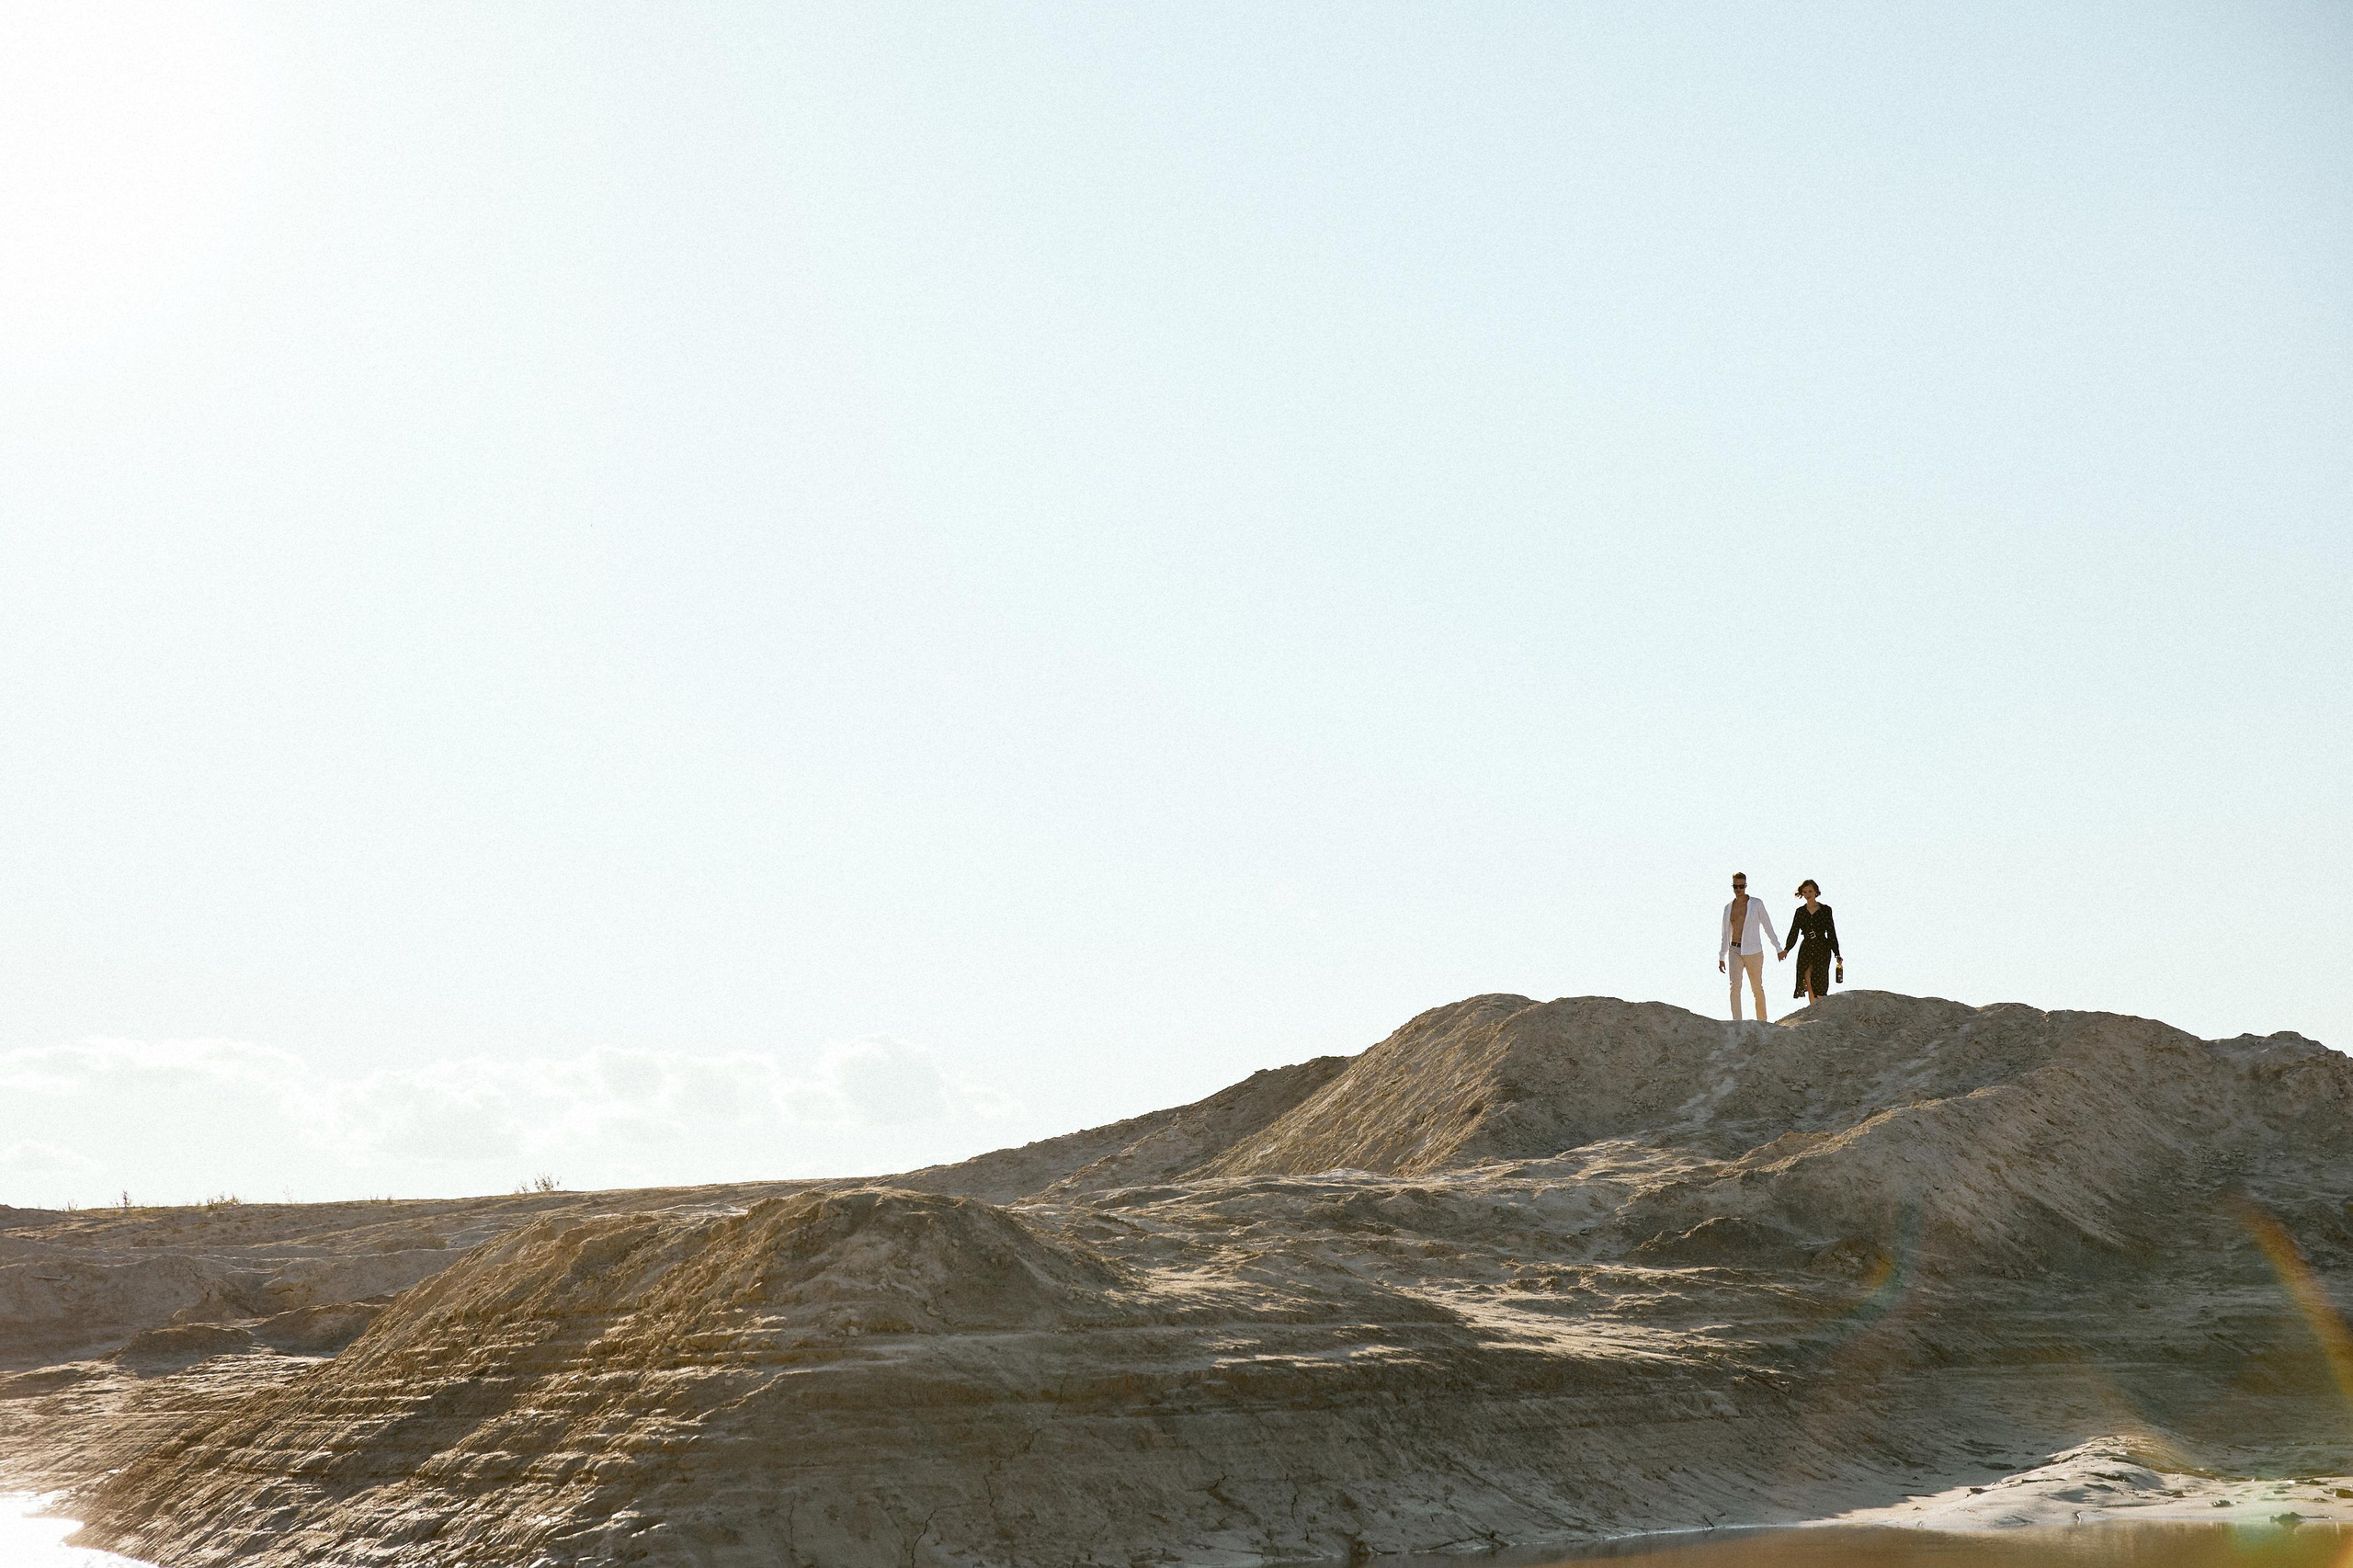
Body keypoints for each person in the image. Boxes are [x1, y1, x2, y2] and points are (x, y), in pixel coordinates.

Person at [1716, 871, 1782, 1022]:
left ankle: (1762, 1021)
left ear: (1746, 886)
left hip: (1753, 951)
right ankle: (1737, 1022)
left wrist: (1778, 948)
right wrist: (1722, 956)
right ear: (1732, 886)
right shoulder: (1728, 908)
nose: (1739, 889)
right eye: (1736, 886)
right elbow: (1725, 933)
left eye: (1741, 886)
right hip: (1734, 949)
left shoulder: (1756, 904)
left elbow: (1767, 926)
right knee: (1735, 986)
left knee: (1756, 987)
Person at [1779, 880, 1840, 1006]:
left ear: (1816, 892)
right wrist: (1787, 949)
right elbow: (1794, 931)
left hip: (1822, 947)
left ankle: (1821, 1006)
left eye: (1810, 891)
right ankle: (1813, 1006)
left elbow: (1831, 931)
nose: (1807, 894)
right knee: (1806, 975)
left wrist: (1837, 953)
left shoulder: (1826, 910)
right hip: (1806, 947)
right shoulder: (1800, 912)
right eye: (1805, 892)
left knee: (1820, 978)